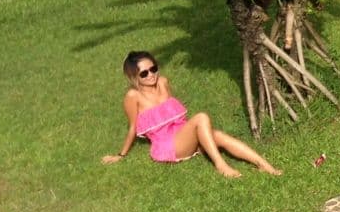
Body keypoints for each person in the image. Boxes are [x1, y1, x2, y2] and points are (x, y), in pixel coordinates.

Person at [102, 51, 281, 177]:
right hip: (168, 144)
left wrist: (191, 133)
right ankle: (221, 165)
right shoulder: (132, 96)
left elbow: (171, 113)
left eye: (154, 68)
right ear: (134, 77)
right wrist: (121, 155)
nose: (151, 75)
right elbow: (133, 126)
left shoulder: (163, 82)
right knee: (201, 117)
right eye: (144, 73)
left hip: (183, 134)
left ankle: (265, 166)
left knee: (219, 136)